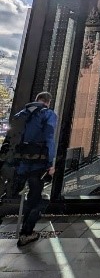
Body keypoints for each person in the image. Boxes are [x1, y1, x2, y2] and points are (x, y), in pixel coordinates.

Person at [14, 91, 57, 247]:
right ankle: (26, 232)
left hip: (19, 164)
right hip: (38, 164)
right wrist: (50, 164)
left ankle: (25, 231)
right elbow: (49, 139)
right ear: (48, 102)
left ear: (37, 100)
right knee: (39, 198)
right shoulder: (47, 114)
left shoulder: (21, 114)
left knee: (19, 195)